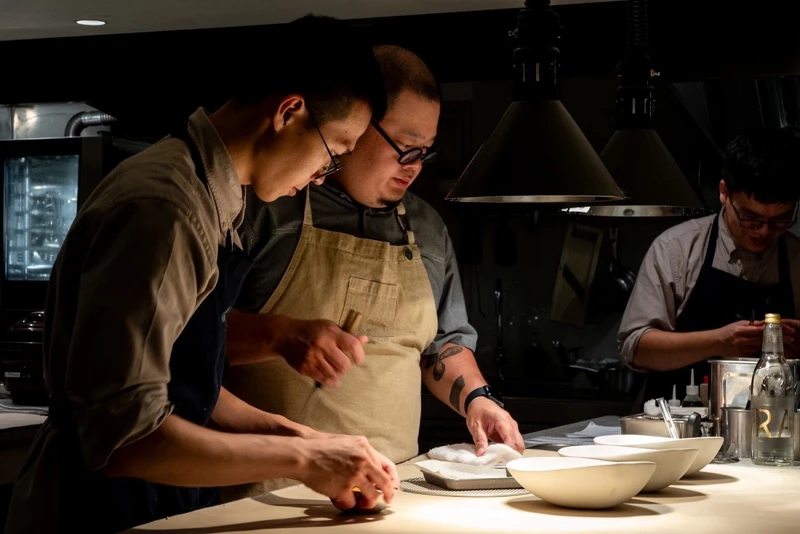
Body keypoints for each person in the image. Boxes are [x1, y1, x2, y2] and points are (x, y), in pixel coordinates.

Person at [5, 15, 399, 534]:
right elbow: (125, 437)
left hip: (155, 496)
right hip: (100, 507)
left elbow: (184, 385)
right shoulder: (165, 208)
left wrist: (301, 438)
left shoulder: (210, 199)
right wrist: (306, 464)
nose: (316, 180)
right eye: (332, 156)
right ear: (289, 112)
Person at [223, 45, 524, 499]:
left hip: (394, 492)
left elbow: (442, 346)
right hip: (267, 495)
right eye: (405, 148)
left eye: (426, 151)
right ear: (357, 124)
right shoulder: (265, 208)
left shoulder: (427, 229)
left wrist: (479, 399)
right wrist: (280, 334)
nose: (416, 166)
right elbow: (192, 345)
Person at [618, 128, 800, 402]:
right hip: (679, 426)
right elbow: (636, 348)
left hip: (775, 430)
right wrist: (719, 342)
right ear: (724, 192)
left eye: (779, 221)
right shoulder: (677, 249)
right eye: (751, 218)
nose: (764, 231)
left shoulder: (797, 257)